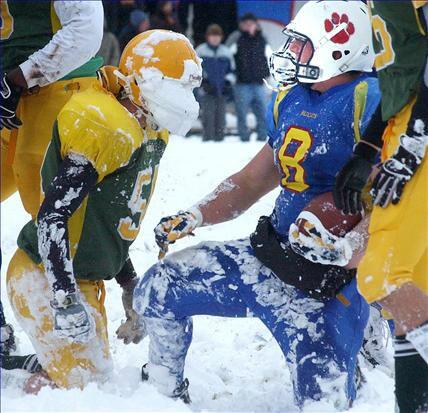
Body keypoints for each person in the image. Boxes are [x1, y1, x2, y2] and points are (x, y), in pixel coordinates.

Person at [133, 1, 379, 408]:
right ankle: (161, 395)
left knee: (323, 402)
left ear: (339, 47)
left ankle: (365, 341)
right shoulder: (290, 99)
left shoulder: (368, 101)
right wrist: (197, 214)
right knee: (159, 288)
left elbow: (396, 204)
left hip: (327, 286)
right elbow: (252, 180)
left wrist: (347, 250)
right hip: (269, 256)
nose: (290, 53)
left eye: (302, 45)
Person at [6, 29, 202, 394]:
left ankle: (37, 368)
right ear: (144, 81)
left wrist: (128, 282)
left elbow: (106, 219)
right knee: (82, 390)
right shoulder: (105, 124)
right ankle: (18, 386)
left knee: (95, 379)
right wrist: (63, 297)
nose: (186, 101)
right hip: (43, 275)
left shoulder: (150, 127)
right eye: (178, 87)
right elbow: (52, 216)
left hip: (81, 277)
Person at [333, 2, 428, 411]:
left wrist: (416, 138)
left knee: (383, 273)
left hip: (419, 130)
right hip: (404, 123)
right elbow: (401, 75)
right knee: (417, 290)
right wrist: (367, 148)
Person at [0, 0, 104, 376]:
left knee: (55, 216)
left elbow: (86, 29)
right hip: (12, 94)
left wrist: (19, 77)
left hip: (59, 84)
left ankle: (81, 359)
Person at [228, 13, 271, 142]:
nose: (248, 26)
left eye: (251, 23)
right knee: (241, 112)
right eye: (246, 24)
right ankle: (243, 136)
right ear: (241, 25)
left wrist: (267, 74)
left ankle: (262, 136)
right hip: (242, 83)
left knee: (262, 112)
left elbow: (269, 56)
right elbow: (227, 55)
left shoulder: (262, 38)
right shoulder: (236, 37)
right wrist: (233, 74)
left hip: (259, 82)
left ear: (256, 24)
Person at [196, 24, 235, 141]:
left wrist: (228, 82)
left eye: (217, 36)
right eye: (212, 36)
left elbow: (232, 70)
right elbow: (195, 70)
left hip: (221, 90)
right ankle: (208, 139)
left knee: (221, 117)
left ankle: (220, 140)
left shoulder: (226, 52)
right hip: (206, 91)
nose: (215, 38)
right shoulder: (200, 51)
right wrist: (203, 83)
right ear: (207, 37)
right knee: (207, 116)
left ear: (221, 37)